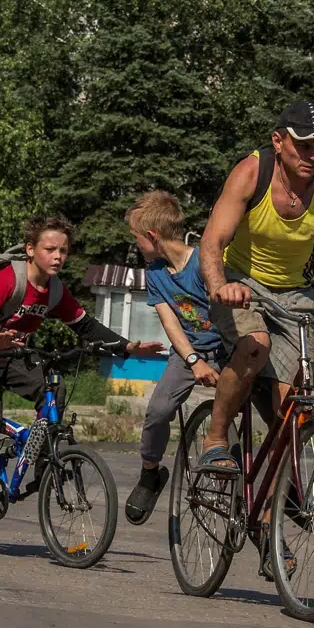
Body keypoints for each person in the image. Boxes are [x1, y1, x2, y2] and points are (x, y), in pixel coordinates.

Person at [197, 102, 314, 577]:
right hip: (238, 283)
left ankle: (265, 520)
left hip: (295, 293)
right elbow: (212, 241)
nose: (312, 154)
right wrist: (221, 286)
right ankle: (216, 437)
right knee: (253, 343)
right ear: (279, 140)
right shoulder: (251, 172)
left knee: (293, 410)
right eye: (303, 144)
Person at [0, 215, 163, 522]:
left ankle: (44, 461)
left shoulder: (55, 291)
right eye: (50, 249)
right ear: (31, 249)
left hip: (14, 356)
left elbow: (86, 326)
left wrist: (127, 347)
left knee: (54, 389)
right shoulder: (9, 278)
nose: (58, 256)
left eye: (63, 250)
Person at [122, 191, 225, 525]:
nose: (136, 246)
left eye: (137, 239)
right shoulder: (156, 274)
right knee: (159, 410)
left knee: (247, 406)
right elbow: (171, 323)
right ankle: (150, 472)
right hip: (188, 351)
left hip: (227, 349)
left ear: (152, 236)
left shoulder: (204, 262)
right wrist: (194, 360)